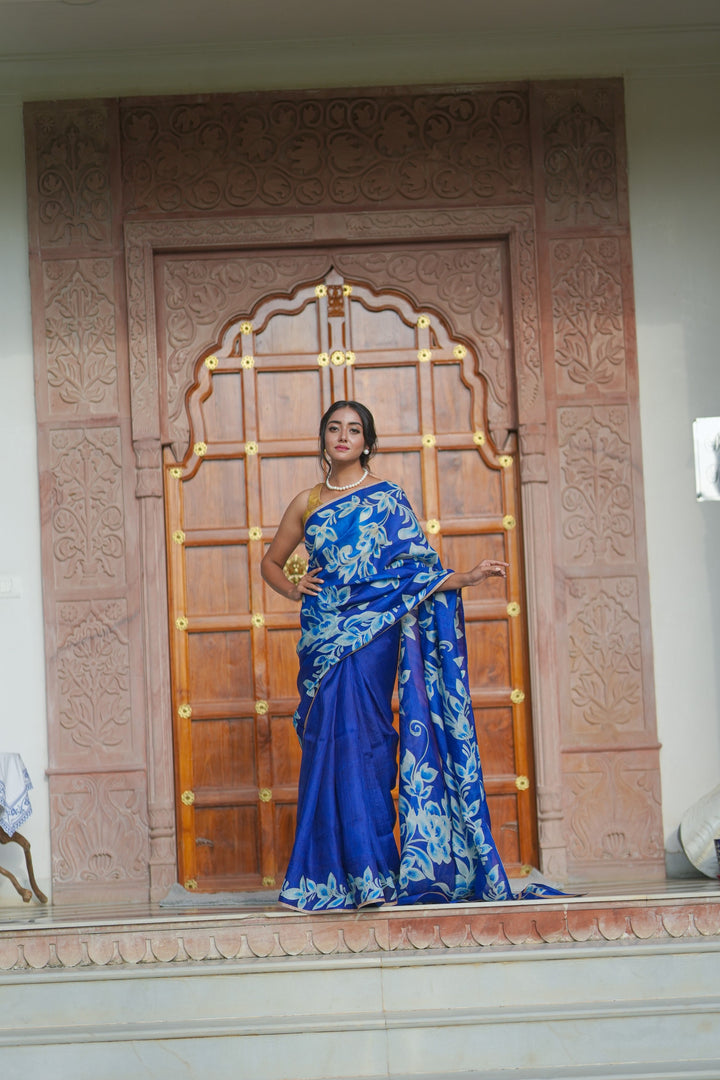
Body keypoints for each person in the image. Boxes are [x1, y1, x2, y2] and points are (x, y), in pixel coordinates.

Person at [261, 401, 560, 911]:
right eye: (334, 428)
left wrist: (463, 577)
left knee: (368, 743)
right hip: (325, 636)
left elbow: (416, 571)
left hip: (374, 634)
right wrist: (295, 589)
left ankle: (375, 873)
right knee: (328, 744)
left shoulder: (388, 499)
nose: (343, 436)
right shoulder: (306, 502)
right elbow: (271, 562)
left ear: (367, 443)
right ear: (323, 439)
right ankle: (329, 878)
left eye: (354, 430)